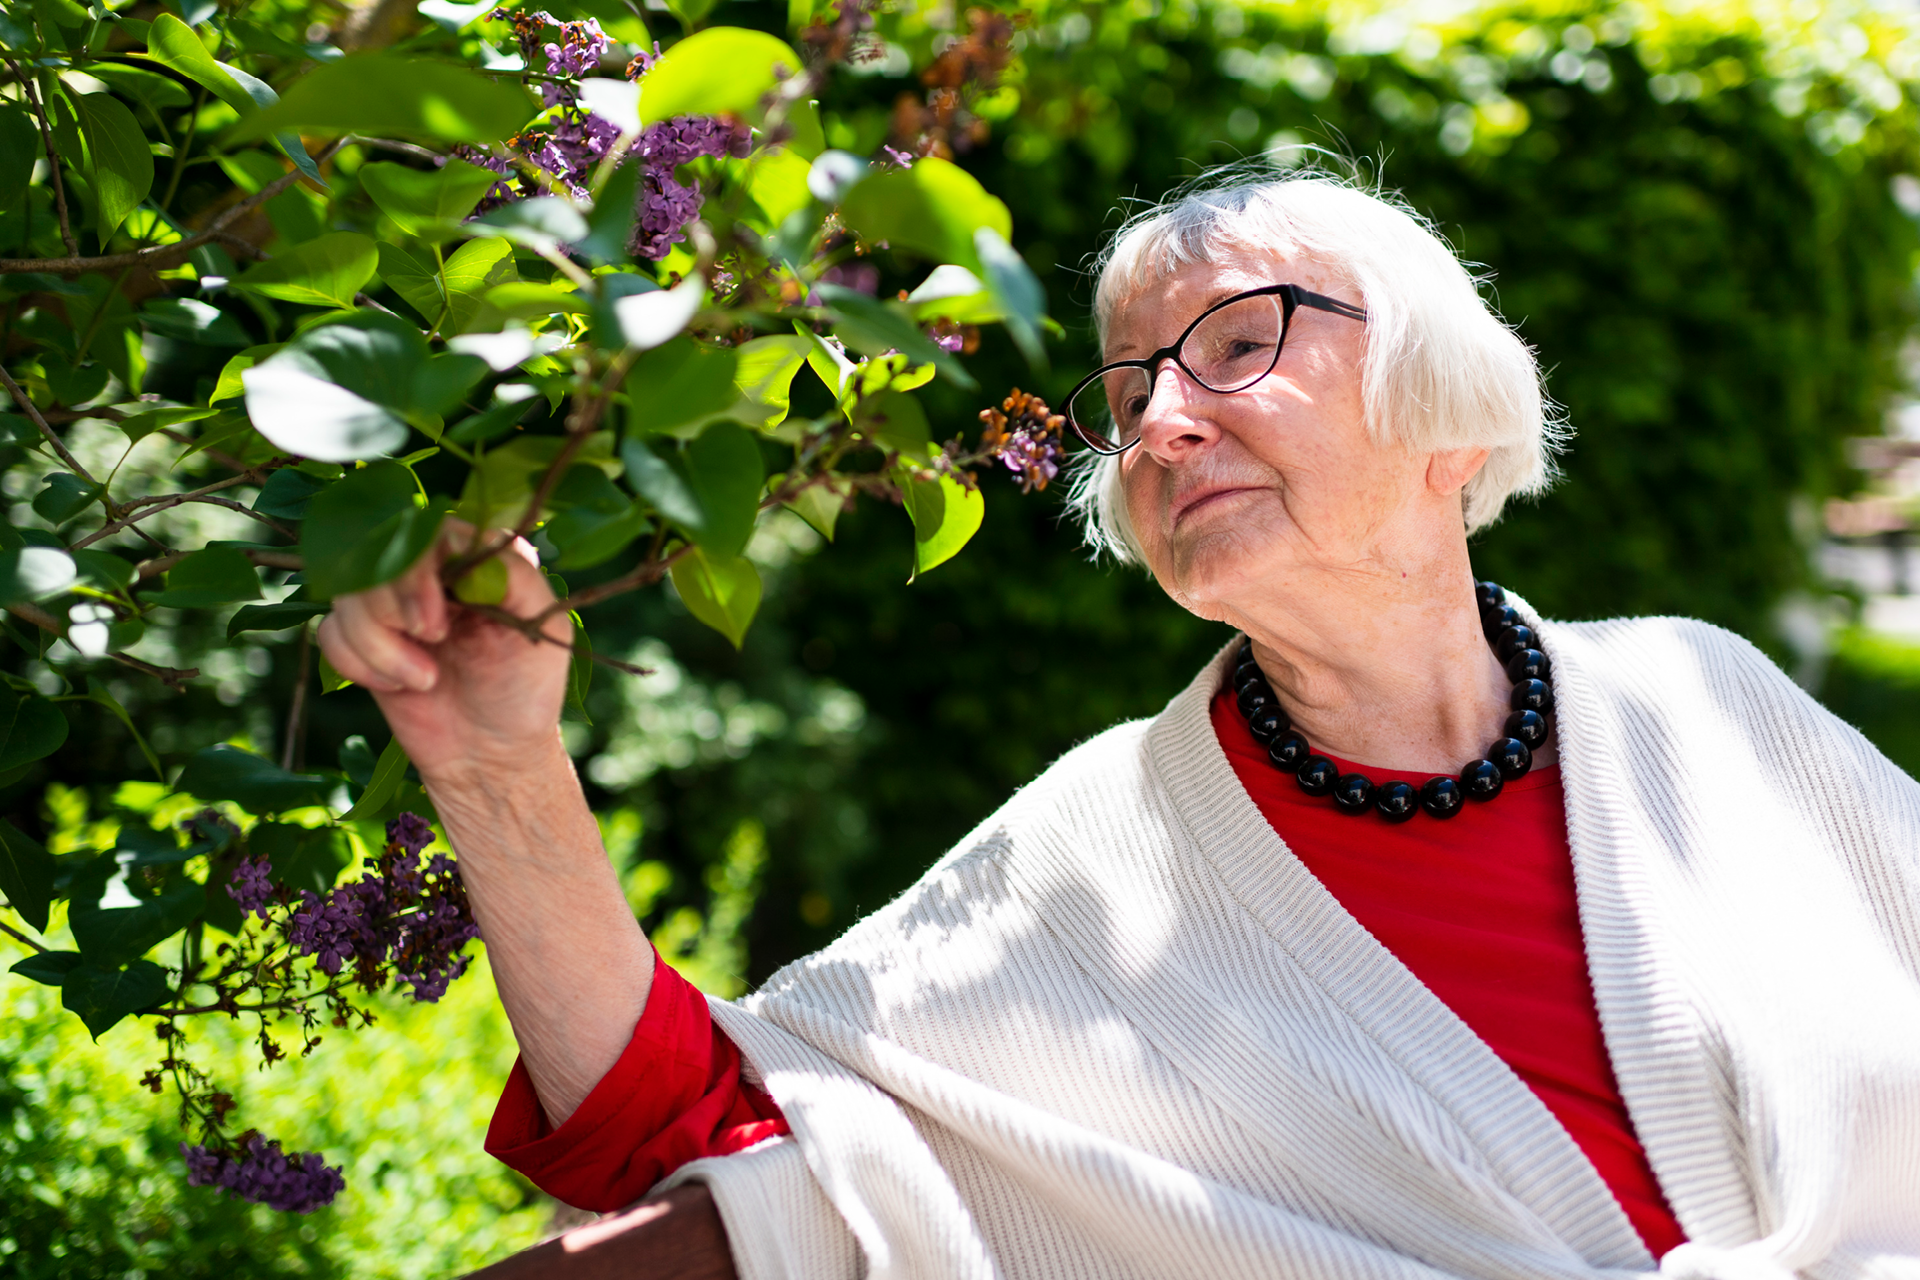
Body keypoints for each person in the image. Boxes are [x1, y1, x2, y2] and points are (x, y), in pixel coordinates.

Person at [319, 172, 1920, 1280]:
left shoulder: (1706, 704)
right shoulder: (1097, 861)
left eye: (1239, 345)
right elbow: (685, 1120)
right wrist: (495, 761)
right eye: (1132, 385)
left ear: (1443, 404)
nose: (1162, 420)